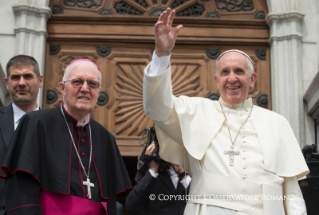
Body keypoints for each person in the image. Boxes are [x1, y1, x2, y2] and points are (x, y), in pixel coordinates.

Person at [143, 8, 309, 215]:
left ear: (253, 79)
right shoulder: (196, 110)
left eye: (239, 71)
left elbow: (292, 192)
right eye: (225, 72)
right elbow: (157, 108)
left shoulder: (277, 122)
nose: (232, 78)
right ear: (216, 80)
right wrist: (161, 55)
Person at [0, 59, 131, 215]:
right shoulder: (36, 124)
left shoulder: (105, 137)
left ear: (99, 91)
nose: (85, 89)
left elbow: (109, 201)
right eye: (77, 82)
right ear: (62, 88)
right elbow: (22, 191)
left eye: (92, 84)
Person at [0, 55, 43, 215]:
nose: (22, 83)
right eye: (15, 77)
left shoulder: (55, 127)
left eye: (28, 76)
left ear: (40, 80)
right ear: (7, 82)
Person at [125, 141, 191, 215]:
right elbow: (131, 206)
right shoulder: (148, 173)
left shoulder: (192, 170)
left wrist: (184, 175)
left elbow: (202, 200)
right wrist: (152, 172)